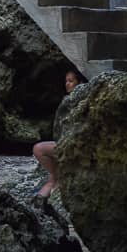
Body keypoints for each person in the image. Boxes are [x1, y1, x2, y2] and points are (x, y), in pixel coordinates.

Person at [32, 68, 84, 200]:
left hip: (74, 146)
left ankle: (58, 181)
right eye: (66, 81)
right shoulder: (68, 100)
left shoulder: (78, 101)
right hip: (65, 144)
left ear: (79, 82)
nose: (67, 84)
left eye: (71, 81)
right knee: (51, 179)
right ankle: (40, 202)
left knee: (38, 149)